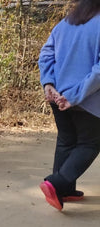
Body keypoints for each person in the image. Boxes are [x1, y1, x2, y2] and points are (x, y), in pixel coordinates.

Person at [38, 0, 100, 211]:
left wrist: (48, 84)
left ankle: (64, 190)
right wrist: (75, 95)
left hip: (58, 96)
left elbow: (46, 54)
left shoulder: (66, 23)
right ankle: (57, 184)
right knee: (90, 144)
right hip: (88, 101)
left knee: (66, 141)